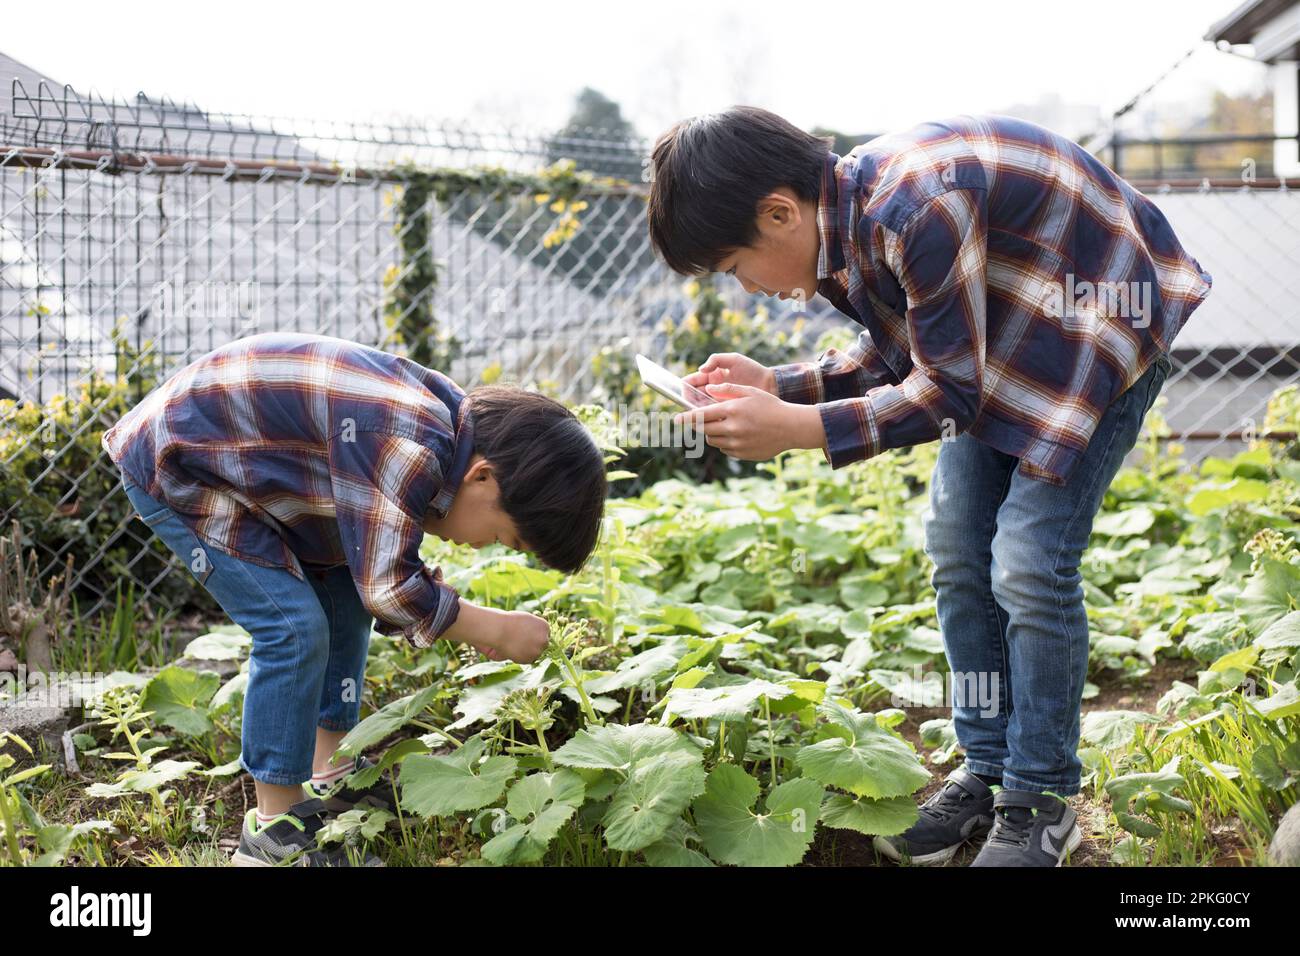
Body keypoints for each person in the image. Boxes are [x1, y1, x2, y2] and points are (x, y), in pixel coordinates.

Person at [646, 107, 1211, 866]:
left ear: (778, 212)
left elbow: (945, 391)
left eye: (735, 267)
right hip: (1004, 341)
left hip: (1094, 332)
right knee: (955, 549)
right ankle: (986, 770)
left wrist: (798, 428)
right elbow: (903, 353)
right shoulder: (845, 226)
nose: (746, 288)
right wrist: (778, 384)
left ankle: (1040, 797)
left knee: (1028, 562)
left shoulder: (915, 207)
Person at [102, 331, 607, 865]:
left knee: (343, 595)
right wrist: (494, 629)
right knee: (293, 628)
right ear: (483, 477)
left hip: (261, 471)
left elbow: (372, 582)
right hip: (185, 463)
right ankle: (272, 828)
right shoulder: (408, 444)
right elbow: (389, 590)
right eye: (503, 536)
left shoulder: (446, 435)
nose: (483, 546)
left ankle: (331, 771)